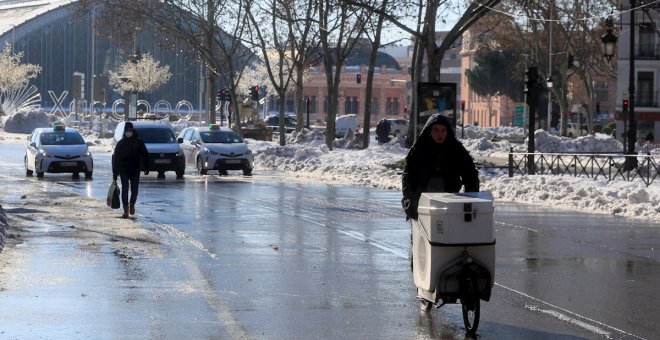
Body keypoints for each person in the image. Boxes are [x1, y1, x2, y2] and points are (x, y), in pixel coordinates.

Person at [401, 113, 480, 220]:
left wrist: (471, 198)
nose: (440, 134)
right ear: (429, 131)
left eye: (443, 130)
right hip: (422, 198)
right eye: (436, 130)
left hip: (450, 198)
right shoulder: (419, 149)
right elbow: (408, 175)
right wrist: (409, 199)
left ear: (447, 131)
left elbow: (470, 174)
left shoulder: (456, 149)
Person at [112, 122, 149, 218]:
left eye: (130, 130)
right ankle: (125, 209)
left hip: (135, 169)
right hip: (124, 170)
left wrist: (146, 167)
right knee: (125, 189)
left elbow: (145, 155)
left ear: (132, 131)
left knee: (134, 189)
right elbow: (116, 159)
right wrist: (115, 172)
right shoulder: (121, 143)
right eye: (127, 131)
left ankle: (132, 204)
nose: (128, 132)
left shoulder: (138, 142)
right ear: (124, 132)